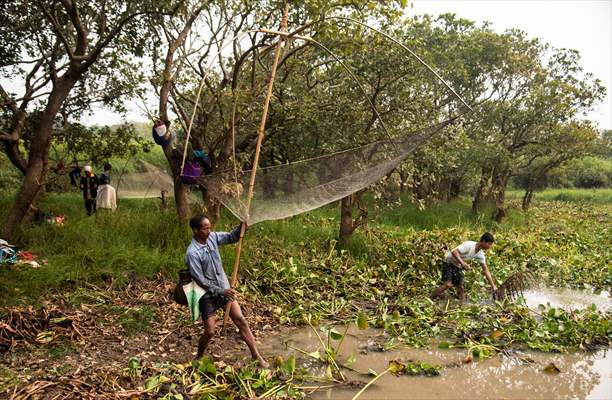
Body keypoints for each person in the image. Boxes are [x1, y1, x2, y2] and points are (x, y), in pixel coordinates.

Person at [185, 215, 268, 367]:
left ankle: (256, 356)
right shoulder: (192, 253)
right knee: (210, 331)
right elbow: (200, 280)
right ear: (195, 230)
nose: (209, 231)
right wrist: (221, 291)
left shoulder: (213, 238)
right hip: (207, 295)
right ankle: (199, 355)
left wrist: (242, 226)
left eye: (210, 227)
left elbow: (232, 237)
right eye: (205, 228)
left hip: (224, 289)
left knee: (241, 321)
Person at [431, 232, 497, 302]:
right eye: (489, 244)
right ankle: (430, 299)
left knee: (461, 288)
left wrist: (493, 286)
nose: (490, 246)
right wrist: (463, 264)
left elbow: (486, 270)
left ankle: (462, 305)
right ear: (483, 241)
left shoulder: (480, 254)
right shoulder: (469, 245)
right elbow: (454, 252)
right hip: (448, 262)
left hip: (457, 265)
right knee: (447, 285)